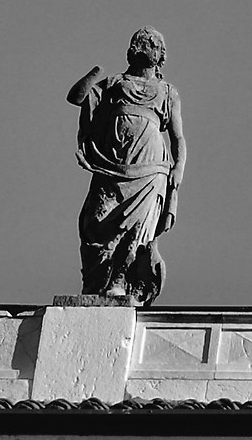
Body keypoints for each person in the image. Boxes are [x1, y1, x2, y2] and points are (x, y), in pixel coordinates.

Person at [65, 27, 186, 304]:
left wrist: (178, 168)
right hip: (113, 164)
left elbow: (178, 137)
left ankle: (119, 282)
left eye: (154, 45)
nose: (148, 47)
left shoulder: (168, 92)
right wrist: (94, 75)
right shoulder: (114, 83)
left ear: (161, 55)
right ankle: (95, 283)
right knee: (94, 222)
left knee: (137, 231)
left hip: (151, 168)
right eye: (143, 43)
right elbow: (76, 97)